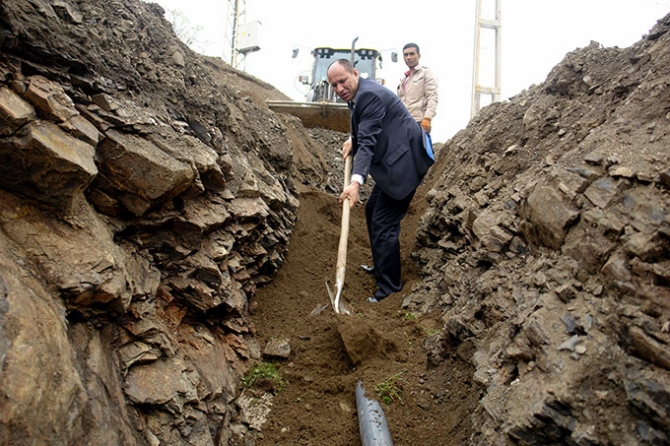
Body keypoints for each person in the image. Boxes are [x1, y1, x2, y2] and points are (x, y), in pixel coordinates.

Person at [327, 59, 435, 303]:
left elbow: (368, 143)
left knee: (383, 224)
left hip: (404, 166)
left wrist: (355, 183)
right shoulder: (359, 93)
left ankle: (390, 288)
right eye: (334, 85)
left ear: (355, 73)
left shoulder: (369, 95)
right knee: (372, 209)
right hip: (394, 161)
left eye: (342, 81)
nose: (339, 88)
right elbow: (368, 127)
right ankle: (382, 266)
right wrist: (354, 139)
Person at [397, 43, 439, 133]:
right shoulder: (404, 79)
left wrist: (427, 118)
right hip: (402, 123)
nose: (408, 57)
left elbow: (432, 97)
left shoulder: (426, 73)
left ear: (418, 56)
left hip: (418, 123)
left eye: (412, 54)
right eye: (406, 55)